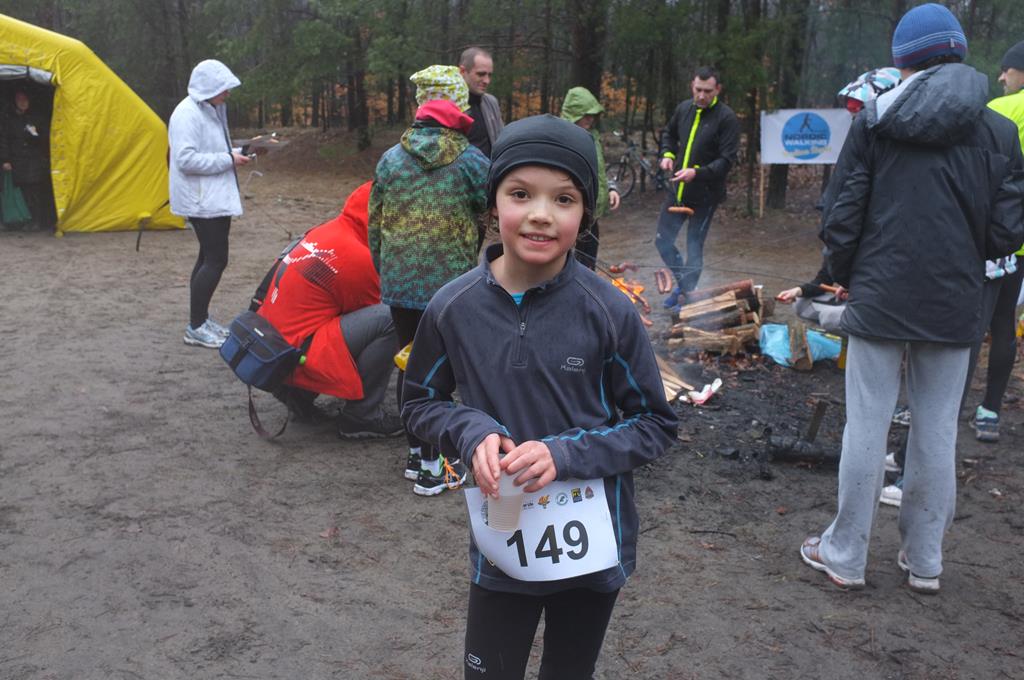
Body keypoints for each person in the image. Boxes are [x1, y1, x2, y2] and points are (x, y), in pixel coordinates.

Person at [401, 114, 678, 679]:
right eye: (521, 194)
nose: (541, 214)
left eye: (564, 199)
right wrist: (472, 431)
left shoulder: (609, 311)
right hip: (503, 538)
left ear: (586, 214)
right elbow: (419, 403)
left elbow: (654, 423)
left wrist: (564, 454)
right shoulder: (452, 307)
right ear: (493, 202)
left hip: (591, 548)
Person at [799, 4, 1024, 595]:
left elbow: (842, 213)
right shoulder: (1000, 132)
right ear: (958, 52)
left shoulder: (876, 120)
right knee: (937, 430)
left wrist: (841, 274)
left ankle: (846, 555)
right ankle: (925, 560)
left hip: (880, 293)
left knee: (866, 424)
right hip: (956, 301)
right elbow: (1007, 233)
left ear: (904, 61)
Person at [368, 64, 489, 495]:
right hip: (451, 286)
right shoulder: (472, 162)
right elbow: (489, 211)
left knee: (410, 364)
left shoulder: (390, 159)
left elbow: (374, 224)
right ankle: (434, 466)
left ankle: (417, 452)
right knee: (441, 369)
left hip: (401, 285)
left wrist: (388, 271)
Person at [256, 181, 403, 439]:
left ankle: (296, 392)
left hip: (274, 345)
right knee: (392, 318)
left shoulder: (328, 230)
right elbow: (376, 310)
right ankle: (362, 416)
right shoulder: (358, 255)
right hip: (296, 352)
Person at [962, 40, 1024, 443]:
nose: (1002, 77)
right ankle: (990, 412)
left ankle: (940, 405)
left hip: (994, 239)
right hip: (1021, 246)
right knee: (1004, 325)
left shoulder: (1000, 110)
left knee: (971, 324)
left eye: (1007, 69)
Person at [168, 59, 250, 349]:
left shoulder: (210, 110)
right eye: (223, 88)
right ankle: (196, 326)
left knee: (207, 258)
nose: (227, 93)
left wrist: (239, 152)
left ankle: (200, 320)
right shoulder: (187, 114)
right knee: (216, 260)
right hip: (201, 199)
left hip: (212, 197)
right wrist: (228, 159)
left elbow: (212, 149)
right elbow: (185, 160)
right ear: (208, 88)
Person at [655, 66, 739, 307]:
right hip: (677, 191)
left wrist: (697, 173)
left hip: (705, 196)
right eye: (698, 90)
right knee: (662, 240)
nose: (702, 96)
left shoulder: (726, 118)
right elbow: (669, 134)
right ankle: (685, 286)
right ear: (692, 86)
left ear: (718, 89)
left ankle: (686, 296)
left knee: (694, 247)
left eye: (708, 91)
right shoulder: (684, 109)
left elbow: (726, 161)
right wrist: (667, 154)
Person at [559, 86, 620, 270]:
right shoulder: (561, 137)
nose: (590, 119)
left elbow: (599, 168)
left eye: (593, 114)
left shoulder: (593, 136)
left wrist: (611, 188)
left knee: (588, 263)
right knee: (563, 264)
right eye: (586, 114)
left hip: (591, 215)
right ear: (574, 113)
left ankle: (585, 286)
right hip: (568, 213)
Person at [0, 90, 56, 231]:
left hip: (34, 161)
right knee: (21, 192)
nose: (23, 102)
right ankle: (21, 220)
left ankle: (36, 221)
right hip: (17, 161)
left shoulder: (37, 118)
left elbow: (46, 139)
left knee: (35, 192)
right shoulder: (9, 120)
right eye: (19, 99)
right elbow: (4, 140)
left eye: (25, 99)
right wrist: (5, 159)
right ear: (14, 101)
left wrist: (34, 135)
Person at [459, 47, 504, 157]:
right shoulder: (449, 106)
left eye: (489, 75)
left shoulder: (491, 103)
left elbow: (500, 140)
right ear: (463, 71)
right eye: (481, 74)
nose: (487, 81)